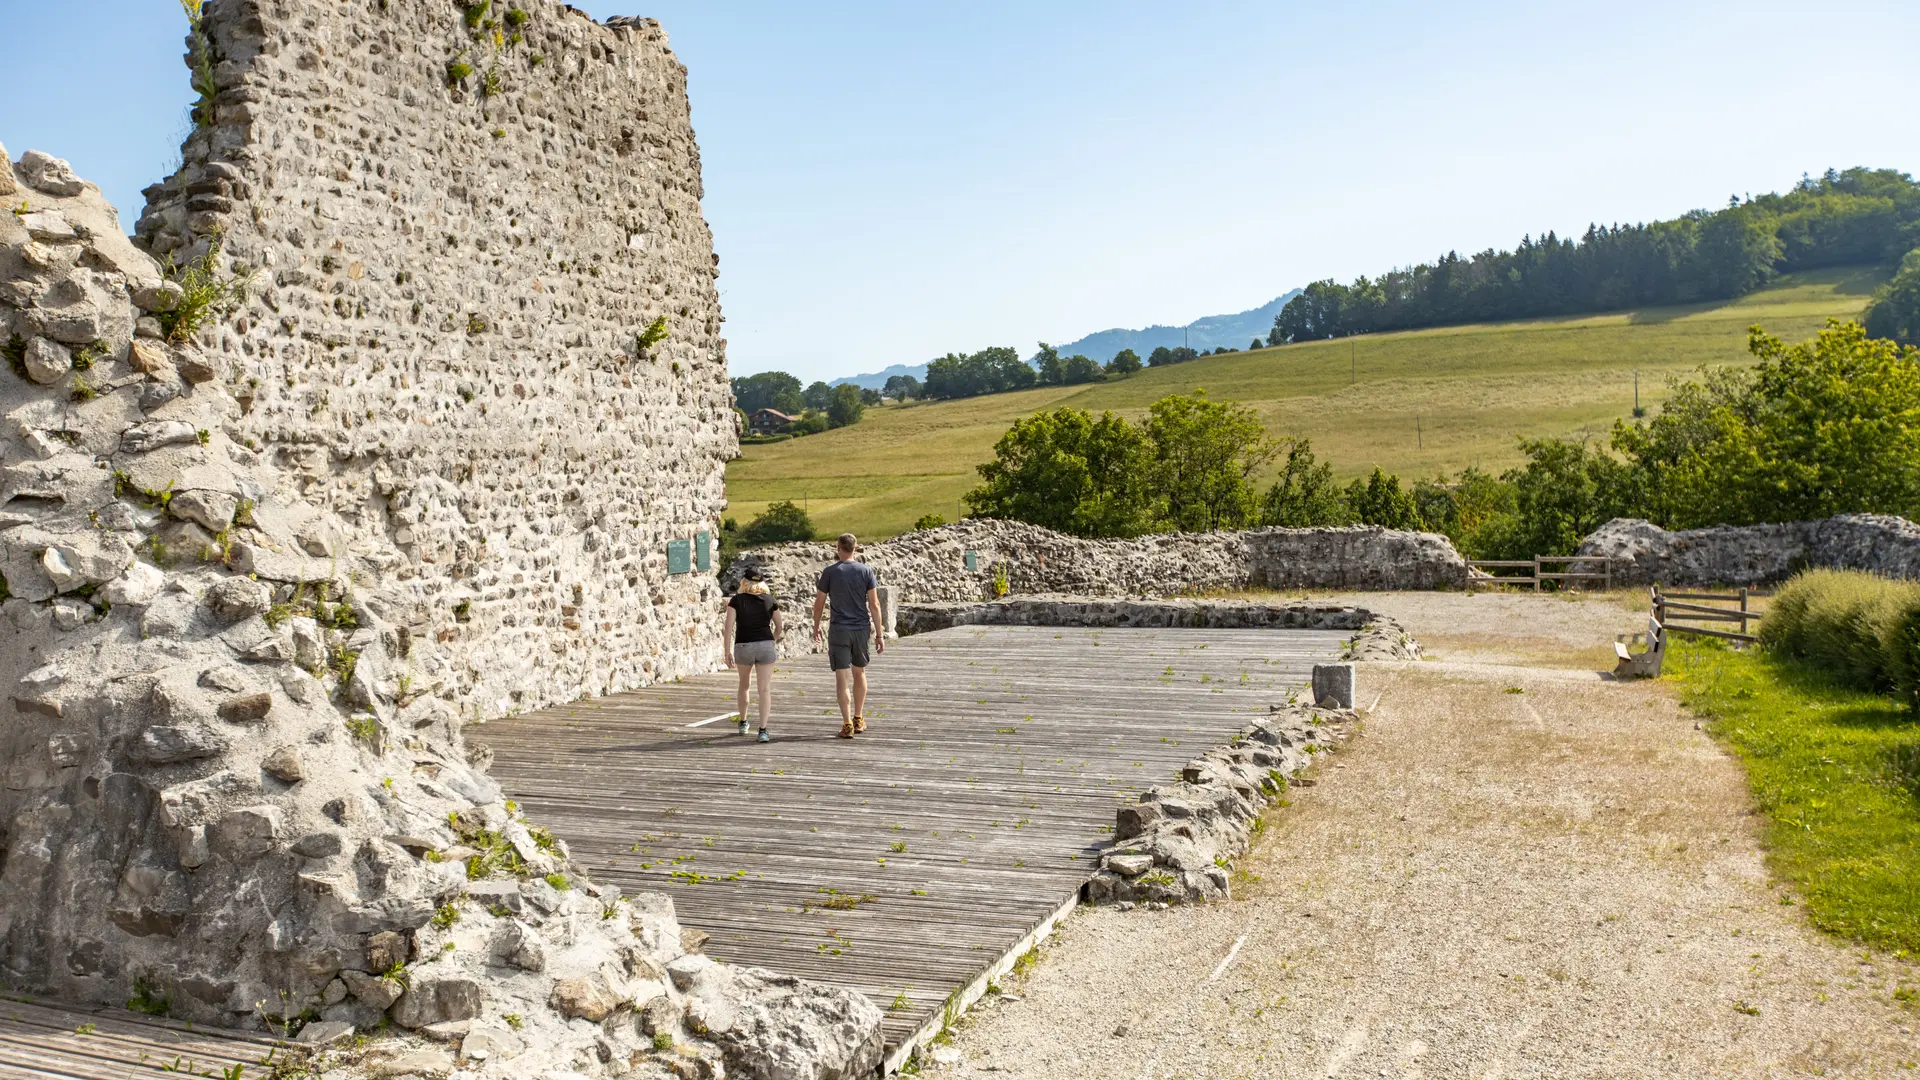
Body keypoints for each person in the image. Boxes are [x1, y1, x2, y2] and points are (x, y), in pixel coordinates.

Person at [812, 532, 885, 738]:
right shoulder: (866, 571)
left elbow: (819, 603)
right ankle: (859, 718)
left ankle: (846, 724)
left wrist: (816, 626)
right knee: (859, 673)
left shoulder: (829, 572)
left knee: (841, 677)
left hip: (838, 629)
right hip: (861, 628)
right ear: (856, 548)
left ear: (838, 548)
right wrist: (879, 634)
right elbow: (874, 604)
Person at [722, 567, 784, 743]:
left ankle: (743, 722)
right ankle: (763, 730)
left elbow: (728, 628)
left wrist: (727, 651)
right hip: (765, 645)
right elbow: (780, 627)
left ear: (744, 582)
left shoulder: (736, 600)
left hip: (743, 645)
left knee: (744, 685)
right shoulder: (770, 600)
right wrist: (771, 640)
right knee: (764, 689)